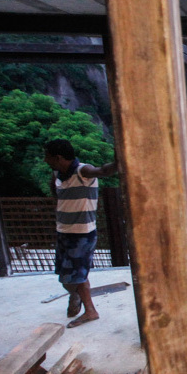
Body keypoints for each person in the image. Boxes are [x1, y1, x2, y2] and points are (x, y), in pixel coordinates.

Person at [43, 139, 118, 328]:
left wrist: (119, 160)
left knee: (78, 276)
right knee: (65, 277)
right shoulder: (58, 174)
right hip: (64, 231)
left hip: (82, 234)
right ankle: (76, 296)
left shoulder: (83, 171)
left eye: (48, 156)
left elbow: (104, 171)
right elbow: (57, 193)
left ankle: (90, 311)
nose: (45, 160)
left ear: (58, 157)